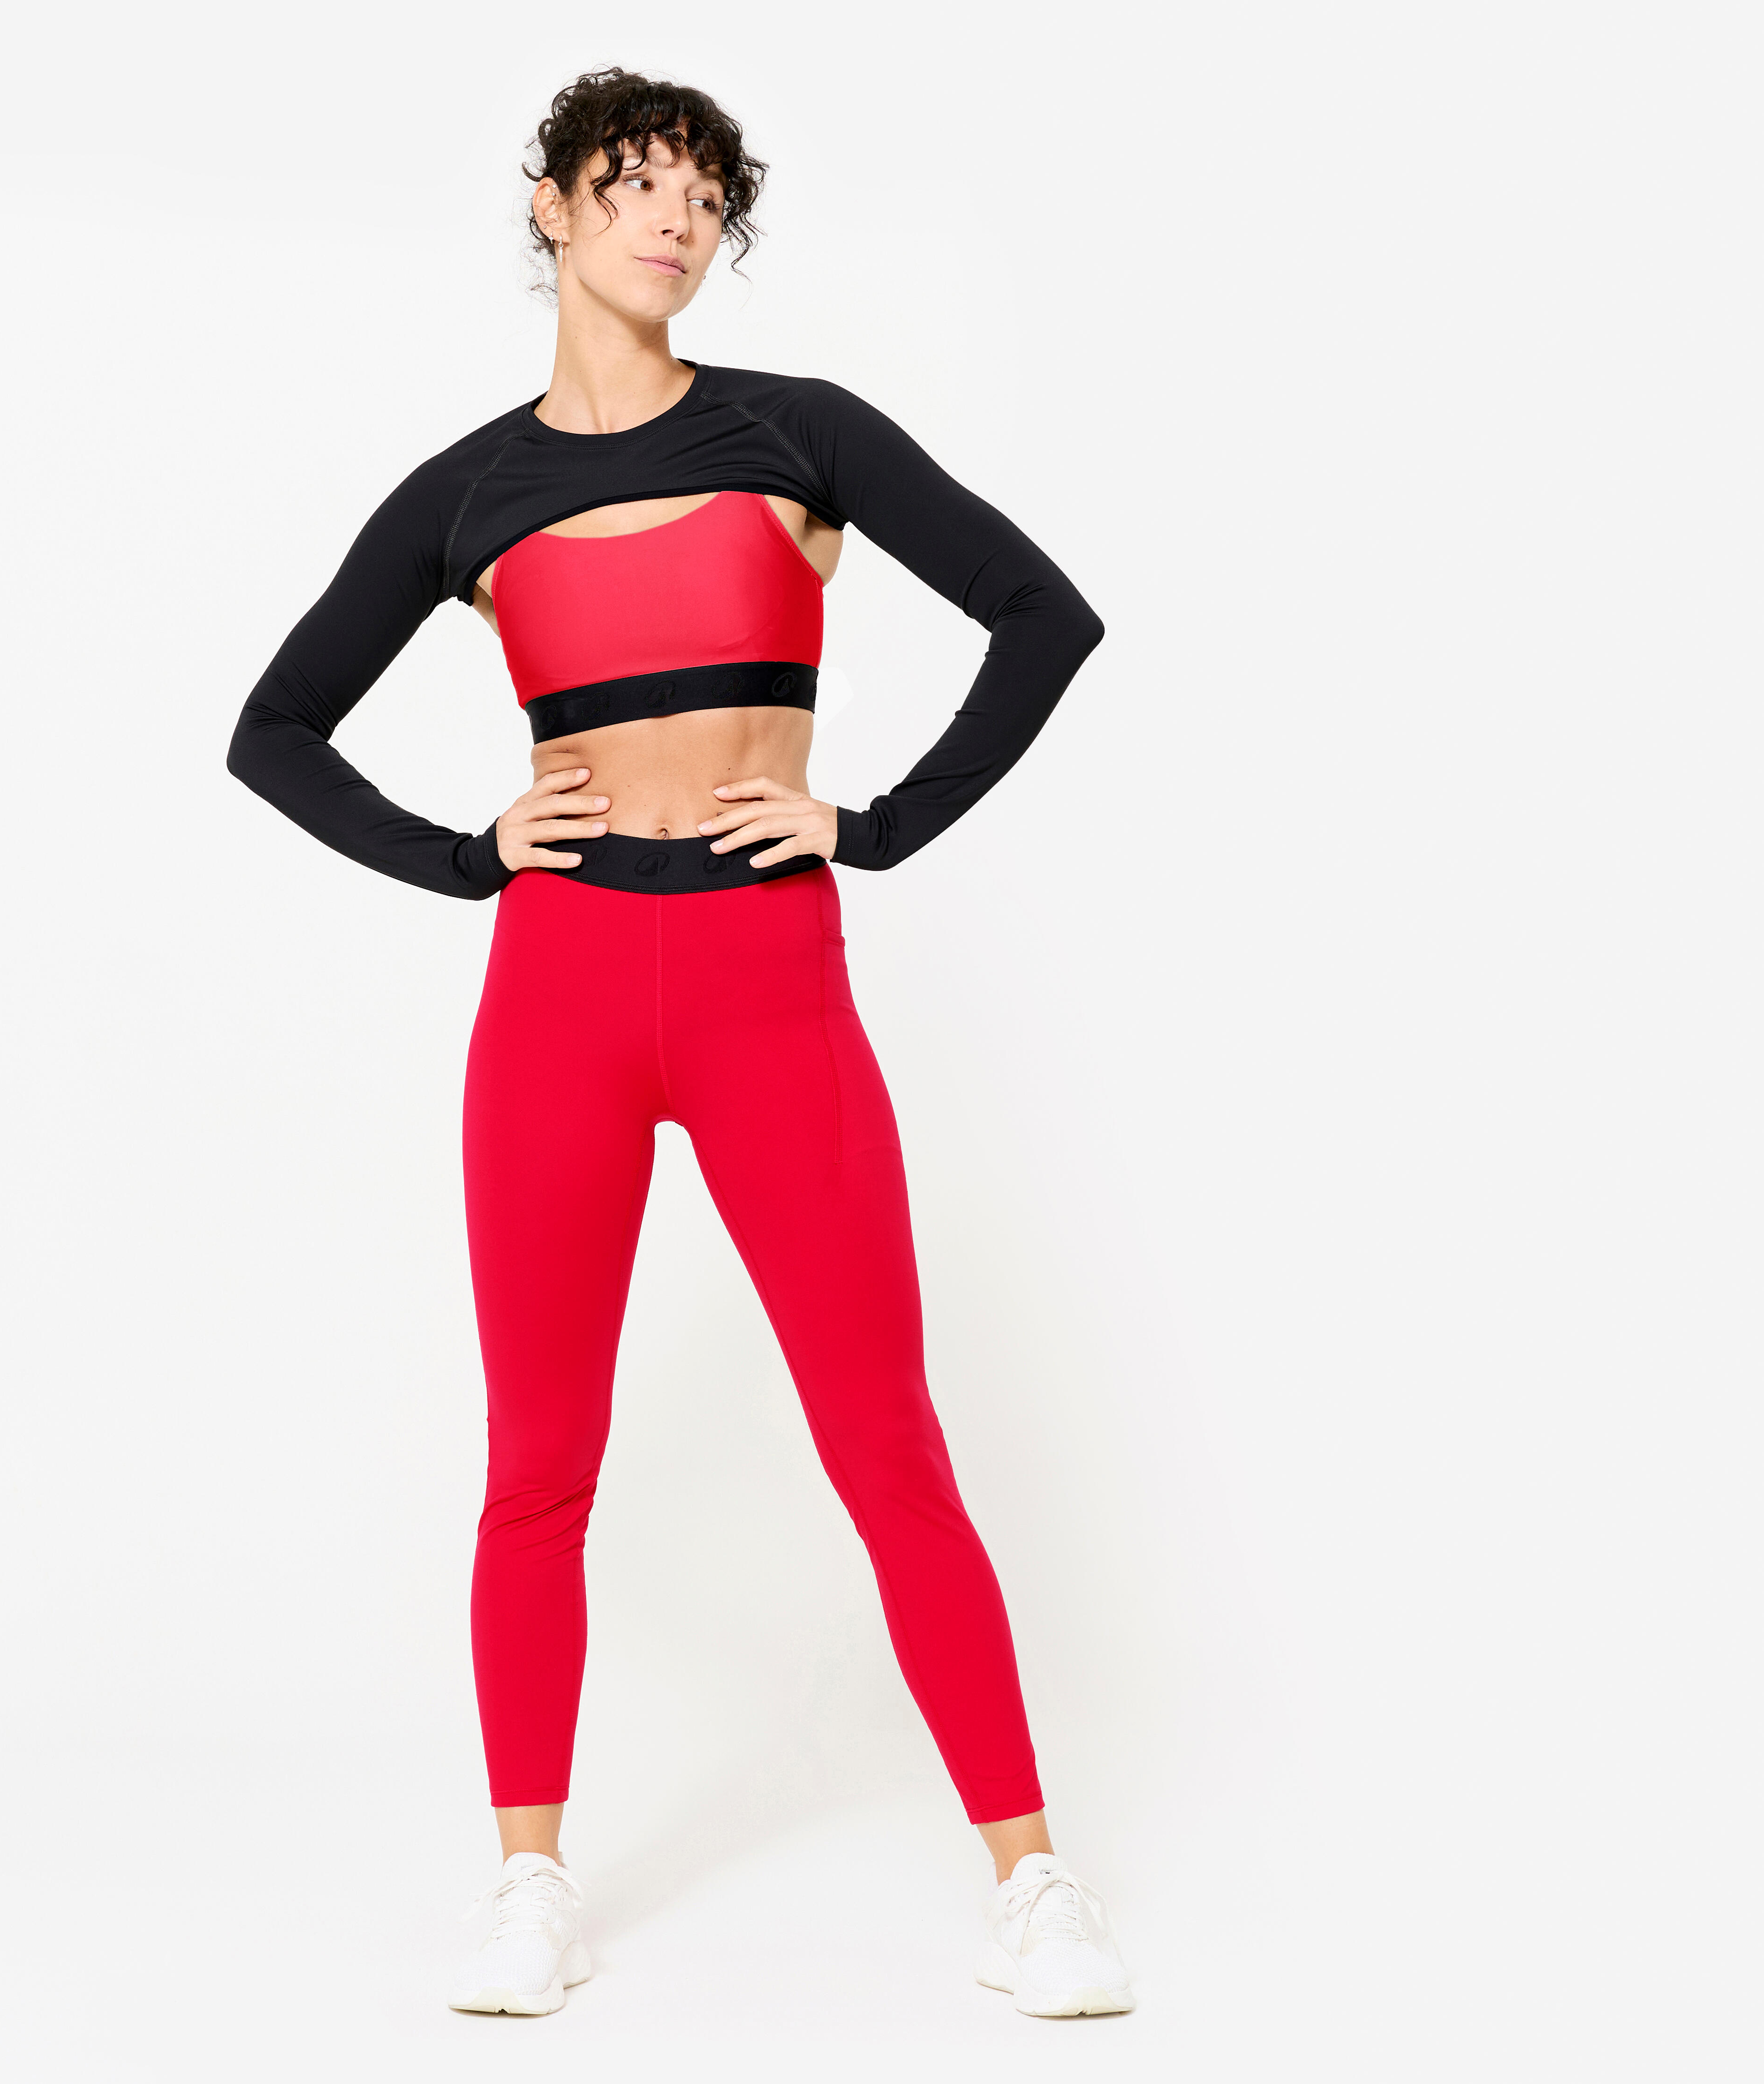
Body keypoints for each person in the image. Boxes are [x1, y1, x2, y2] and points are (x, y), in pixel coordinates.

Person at [227, 67, 1133, 2020]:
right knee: (538, 1462)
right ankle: (528, 1882)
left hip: (763, 980)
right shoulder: (467, 491)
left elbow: (1041, 616)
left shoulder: (797, 432)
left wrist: (871, 825)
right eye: (634, 183)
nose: (674, 220)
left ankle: (1034, 1880)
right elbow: (272, 731)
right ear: (549, 208)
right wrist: (460, 853)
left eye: (707, 198)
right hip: (555, 992)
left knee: (885, 1443)